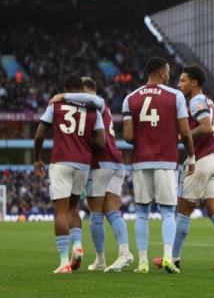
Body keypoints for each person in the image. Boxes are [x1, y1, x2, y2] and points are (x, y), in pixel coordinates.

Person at [152, 64, 214, 270]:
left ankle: (172, 258)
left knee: (183, 210)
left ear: (194, 83)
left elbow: (206, 127)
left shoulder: (196, 101)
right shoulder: (209, 102)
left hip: (202, 161)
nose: (179, 84)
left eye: (183, 80)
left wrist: (180, 136)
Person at [122, 56, 196, 274]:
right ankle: (167, 257)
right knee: (167, 211)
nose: (170, 74)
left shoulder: (130, 98)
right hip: (165, 160)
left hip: (141, 160)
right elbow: (185, 131)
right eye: (169, 71)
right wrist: (191, 157)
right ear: (162, 73)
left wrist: (145, 136)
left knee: (142, 212)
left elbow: (127, 136)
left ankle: (143, 262)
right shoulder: (176, 96)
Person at [51, 77, 133, 272]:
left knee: (96, 214)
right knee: (112, 212)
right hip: (117, 162)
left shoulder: (95, 104)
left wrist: (63, 96)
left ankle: (101, 259)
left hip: (99, 164)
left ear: (87, 91)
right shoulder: (101, 108)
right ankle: (124, 252)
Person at [33, 74, 106, 274]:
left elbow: (40, 133)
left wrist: (37, 158)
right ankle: (78, 245)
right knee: (74, 207)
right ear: (82, 90)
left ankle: (64, 261)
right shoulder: (94, 110)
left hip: (61, 161)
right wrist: (82, 143)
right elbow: (101, 143)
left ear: (64, 89)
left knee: (61, 211)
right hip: (82, 164)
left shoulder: (55, 106)